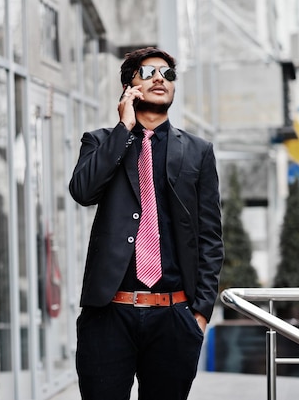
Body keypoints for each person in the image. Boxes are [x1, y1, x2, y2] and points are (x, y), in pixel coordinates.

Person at [69, 47, 224, 400]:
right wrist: (123, 128)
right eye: (149, 72)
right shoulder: (100, 141)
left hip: (174, 316)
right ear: (129, 86)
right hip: (109, 314)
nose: (160, 79)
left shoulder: (198, 151)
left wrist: (199, 312)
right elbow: (83, 191)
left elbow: (210, 237)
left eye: (168, 74)